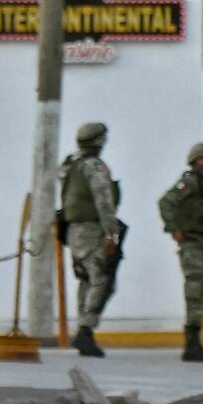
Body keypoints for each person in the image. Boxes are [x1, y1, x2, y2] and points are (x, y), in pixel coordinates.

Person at [158, 142, 203, 363]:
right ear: (194, 161)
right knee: (196, 290)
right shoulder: (188, 183)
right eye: (202, 160)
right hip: (193, 244)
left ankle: (195, 341)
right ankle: (192, 343)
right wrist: (174, 228)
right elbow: (166, 202)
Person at [59, 121, 122, 358]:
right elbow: (103, 200)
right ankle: (86, 330)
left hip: (74, 231)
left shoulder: (69, 165)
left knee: (86, 279)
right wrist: (110, 232)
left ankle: (83, 329)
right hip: (93, 229)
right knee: (102, 278)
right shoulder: (94, 167)